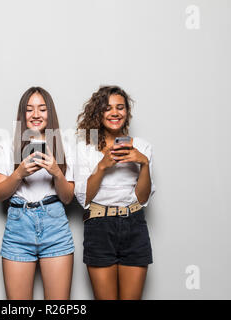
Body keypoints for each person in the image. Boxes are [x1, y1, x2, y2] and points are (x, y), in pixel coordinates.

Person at [74, 85, 155, 300]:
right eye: (108, 108)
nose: (115, 113)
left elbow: (143, 198)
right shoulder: (85, 147)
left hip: (134, 225)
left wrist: (144, 164)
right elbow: (84, 198)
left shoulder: (142, 147)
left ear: (127, 112)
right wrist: (102, 166)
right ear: (98, 113)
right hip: (99, 227)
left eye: (120, 107)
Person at [0, 87, 75, 299]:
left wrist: (56, 171)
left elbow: (67, 198)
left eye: (42, 109)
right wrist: (19, 173)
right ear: (22, 115)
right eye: (29, 110)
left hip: (54, 224)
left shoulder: (64, 144)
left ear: (51, 113)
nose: (36, 115)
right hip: (18, 226)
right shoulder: (7, 146)